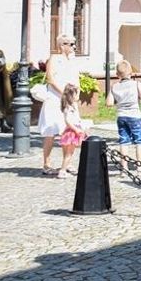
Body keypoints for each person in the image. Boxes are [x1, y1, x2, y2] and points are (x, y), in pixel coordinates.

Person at [39, 34, 80, 173]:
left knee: (68, 130)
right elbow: (50, 78)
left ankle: (66, 162)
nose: (74, 46)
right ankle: (47, 163)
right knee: (50, 131)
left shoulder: (73, 60)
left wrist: (76, 95)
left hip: (70, 100)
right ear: (62, 45)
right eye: (70, 44)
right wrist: (64, 93)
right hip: (55, 98)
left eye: (74, 43)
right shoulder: (54, 59)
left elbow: (76, 79)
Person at [109, 60, 141, 167]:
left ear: (117, 74)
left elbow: (109, 102)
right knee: (139, 141)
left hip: (121, 116)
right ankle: (140, 167)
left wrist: (112, 91)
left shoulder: (114, 86)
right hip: (135, 115)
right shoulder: (136, 84)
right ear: (131, 73)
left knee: (124, 141)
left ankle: (124, 167)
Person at [56, 84, 87, 176]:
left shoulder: (72, 105)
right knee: (69, 153)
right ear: (71, 95)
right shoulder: (69, 107)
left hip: (69, 131)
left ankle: (65, 167)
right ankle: (62, 170)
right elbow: (68, 121)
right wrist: (76, 129)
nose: (78, 96)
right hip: (72, 132)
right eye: (77, 94)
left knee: (67, 153)